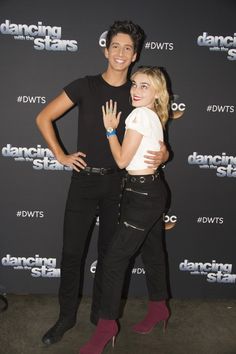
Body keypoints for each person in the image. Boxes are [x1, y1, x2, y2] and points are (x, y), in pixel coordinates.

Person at [36, 21, 169, 345]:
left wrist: (164, 153)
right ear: (105, 50)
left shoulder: (137, 91)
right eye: (116, 46)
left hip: (119, 187)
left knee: (109, 254)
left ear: (135, 54)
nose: (121, 53)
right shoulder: (85, 86)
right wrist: (60, 155)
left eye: (128, 48)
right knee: (71, 254)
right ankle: (66, 318)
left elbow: (155, 131)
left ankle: (101, 318)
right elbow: (43, 117)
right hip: (83, 183)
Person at [79, 66, 170, 354]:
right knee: (154, 253)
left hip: (142, 195)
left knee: (113, 261)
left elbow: (120, 160)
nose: (135, 89)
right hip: (152, 191)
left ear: (157, 93)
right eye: (134, 84)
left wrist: (109, 129)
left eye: (145, 86)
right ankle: (159, 308)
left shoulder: (140, 115)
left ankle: (106, 327)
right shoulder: (154, 115)